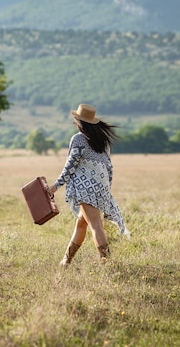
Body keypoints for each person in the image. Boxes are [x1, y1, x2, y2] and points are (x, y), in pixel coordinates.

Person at [47, 103, 130, 266]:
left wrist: (55, 186)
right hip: (101, 188)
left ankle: (107, 264)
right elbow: (109, 168)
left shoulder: (78, 139)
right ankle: (66, 261)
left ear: (79, 122)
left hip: (85, 189)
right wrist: (106, 191)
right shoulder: (103, 141)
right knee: (81, 223)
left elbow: (70, 166)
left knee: (95, 225)